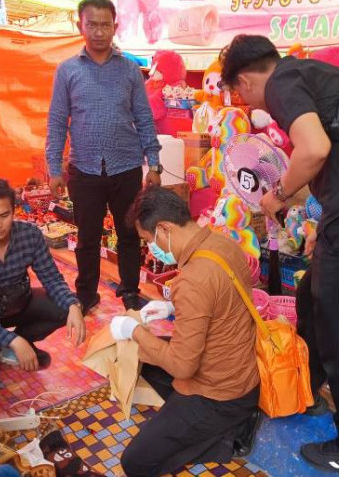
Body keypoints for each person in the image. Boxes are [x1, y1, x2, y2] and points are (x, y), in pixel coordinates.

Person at [220, 35, 339, 473]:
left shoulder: (283, 82)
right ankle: (306, 391)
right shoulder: (321, 76)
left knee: (336, 333)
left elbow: (314, 149)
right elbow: (332, 157)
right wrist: (320, 218)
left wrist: (278, 194)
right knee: (311, 298)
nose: (247, 100)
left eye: (239, 91)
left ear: (246, 80)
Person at [108, 186, 260, 477]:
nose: (149, 247)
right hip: (242, 374)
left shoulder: (193, 280)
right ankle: (203, 421)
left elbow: (182, 365)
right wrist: (171, 308)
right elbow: (221, 304)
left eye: (148, 239)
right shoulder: (221, 243)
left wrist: (134, 331)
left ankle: (229, 436)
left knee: (135, 462)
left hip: (221, 396)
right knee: (145, 359)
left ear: (164, 228)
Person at [45, 0, 162, 312]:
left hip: (126, 168)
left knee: (128, 234)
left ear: (115, 26)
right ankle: (85, 295)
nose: (98, 31)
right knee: (87, 238)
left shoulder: (129, 71)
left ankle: (129, 292)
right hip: (84, 171)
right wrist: (54, 169)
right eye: (91, 24)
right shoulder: (67, 71)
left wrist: (155, 162)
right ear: (79, 25)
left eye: (105, 25)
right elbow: (57, 122)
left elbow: (144, 118)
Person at [0, 178, 86, 378]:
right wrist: (11, 340)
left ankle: (21, 339)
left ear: (14, 210)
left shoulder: (30, 235)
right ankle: (2, 347)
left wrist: (73, 306)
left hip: (15, 304)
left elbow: (52, 278)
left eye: (4, 215)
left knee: (66, 306)